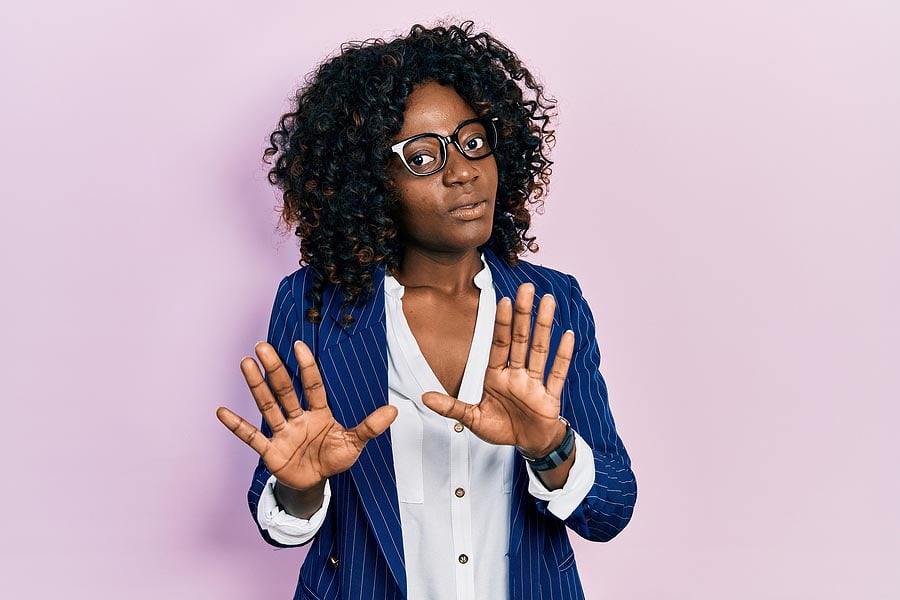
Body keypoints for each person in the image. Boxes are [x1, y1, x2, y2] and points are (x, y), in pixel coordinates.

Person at [216, 21, 637, 600]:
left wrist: (550, 448)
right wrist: (300, 490)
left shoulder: (553, 304)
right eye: (422, 157)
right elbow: (284, 513)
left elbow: (610, 510)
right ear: (370, 182)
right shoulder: (314, 303)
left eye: (472, 142)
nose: (462, 171)